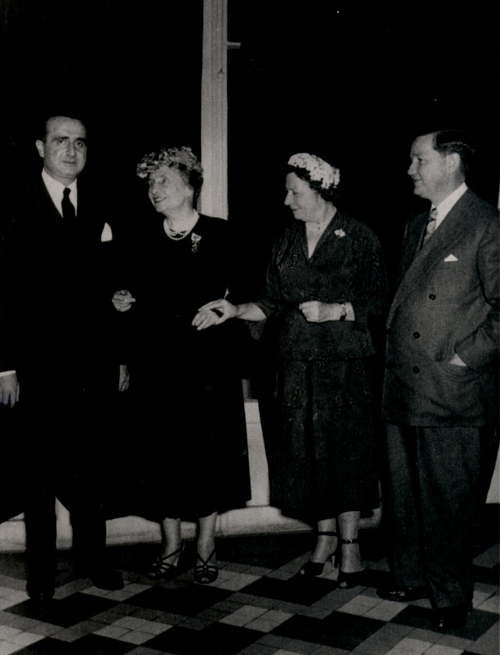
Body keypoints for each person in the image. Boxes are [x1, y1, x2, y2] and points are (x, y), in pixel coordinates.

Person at [194, 152, 388, 587]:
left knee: (345, 455)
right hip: (295, 365)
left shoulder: (359, 237)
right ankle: (323, 540)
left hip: (345, 368)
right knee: (307, 456)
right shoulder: (286, 239)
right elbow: (272, 301)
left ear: (321, 192)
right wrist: (235, 309)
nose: (287, 200)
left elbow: (380, 301)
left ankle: (351, 547)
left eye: (295, 192)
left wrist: (337, 310)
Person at [0, 114, 128, 600]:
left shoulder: (100, 206)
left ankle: (94, 560)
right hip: (34, 368)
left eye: (80, 143)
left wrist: (118, 357)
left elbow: (111, 288)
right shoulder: (13, 207)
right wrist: (5, 365)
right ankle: (40, 573)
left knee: (90, 470)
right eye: (61, 141)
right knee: (38, 474)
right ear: (39, 147)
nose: (71, 151)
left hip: (92, 366)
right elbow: (2, 293)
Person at [378, 129, 499, 630]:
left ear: (450, 162)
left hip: (451, 390)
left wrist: (466, 359)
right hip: (405, 384)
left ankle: (450, 595)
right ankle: (411, 574)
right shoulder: (414, 226)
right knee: (404, 492)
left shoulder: (487, 224)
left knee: (447, 497)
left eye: (418, 160)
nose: (410, 170)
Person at [112, 146, 250, 584]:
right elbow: (124, 295)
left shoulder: (223, 234)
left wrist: (227, 307)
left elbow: (249, 295)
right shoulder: (137, 237)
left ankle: (206, 545)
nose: (155, 191)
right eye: (151, 184)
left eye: (164, 182)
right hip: (157, 367)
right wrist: (120, 302)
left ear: (190, 187)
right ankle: (171, 545)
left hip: (208, 367)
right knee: (161, 456)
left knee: (206, 456)